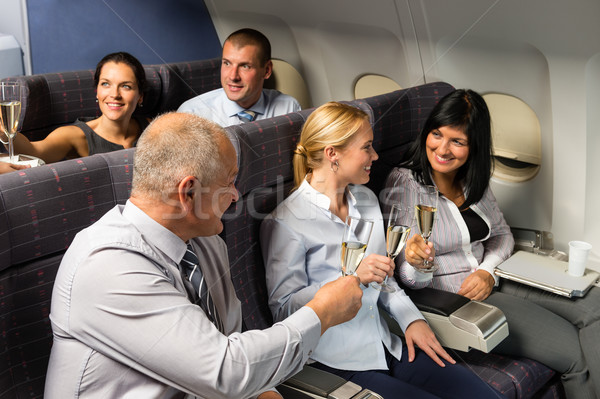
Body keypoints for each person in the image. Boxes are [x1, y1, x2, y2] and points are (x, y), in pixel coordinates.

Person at [44, 112, 364, 399]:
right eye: (230, 182)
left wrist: (263, 390)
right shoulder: (107, 266)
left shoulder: (205, 243)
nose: (237, 195)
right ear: (189, 192)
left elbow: (230, 338)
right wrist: (322, 312)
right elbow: (226, 372)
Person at [260, 101, 503, 399]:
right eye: (367, 147)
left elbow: (384, 278)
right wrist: (349, 280)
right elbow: (283, 310)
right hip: (334, 362)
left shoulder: (366, 199)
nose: (375, 156)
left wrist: (411, 319)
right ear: (332, 154)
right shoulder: (286, 222)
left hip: (387, 344)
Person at [385, 88, 599, 399]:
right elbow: (404, 275)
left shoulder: (472, 179)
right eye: (436, 134)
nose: (443, 149)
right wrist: (418, 263)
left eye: (457, 141)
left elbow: (502, 235)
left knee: (595, 306)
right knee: (573, 353)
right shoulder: (405, 184)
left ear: (474, 147)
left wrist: (487, 271)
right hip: (456, 298)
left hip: (494, 278)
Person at [10, 52, 149, 164]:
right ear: (97, 91)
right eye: (106, 84)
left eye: (126, 86)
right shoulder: (74, 135)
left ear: (140, 96)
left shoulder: (152, 127)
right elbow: (33, 152)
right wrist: (4, 130)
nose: (114, 95)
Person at [178, 28, 300, 126]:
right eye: (227, 63)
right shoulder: (192, 114)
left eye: (245, 66)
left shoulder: (289, 109)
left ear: (267, 70)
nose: (233, 76)